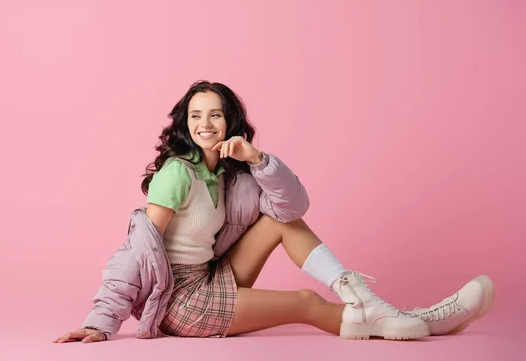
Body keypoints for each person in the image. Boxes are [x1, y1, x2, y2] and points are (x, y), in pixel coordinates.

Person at [53, 81, 495, 343]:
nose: (204, 124)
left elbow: (293, 208)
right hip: (180, 300)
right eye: (195, 116)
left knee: (280, 219)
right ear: (185, 123)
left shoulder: (233, 174)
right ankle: (417, 319)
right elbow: (137, 250)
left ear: (231, 123)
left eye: (215, 116)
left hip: (210, 276)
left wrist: (257, 159)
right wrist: (100, 322)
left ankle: (381, 309)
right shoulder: (176, 173)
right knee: (304, 302)